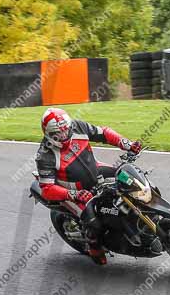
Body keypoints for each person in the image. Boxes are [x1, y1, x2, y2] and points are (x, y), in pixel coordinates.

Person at [36, 107, 142, 265]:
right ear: (49, 134)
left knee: (130, 179)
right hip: (73, 191)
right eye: (59, 134)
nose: (64, 135)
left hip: (95, 171)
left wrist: (127, 144)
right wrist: (73, 195)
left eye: (66, 130)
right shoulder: (45, 155)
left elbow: (104, 133)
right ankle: (94, 248)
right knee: (93, 221)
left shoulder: (79, 127)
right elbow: (47, 189)